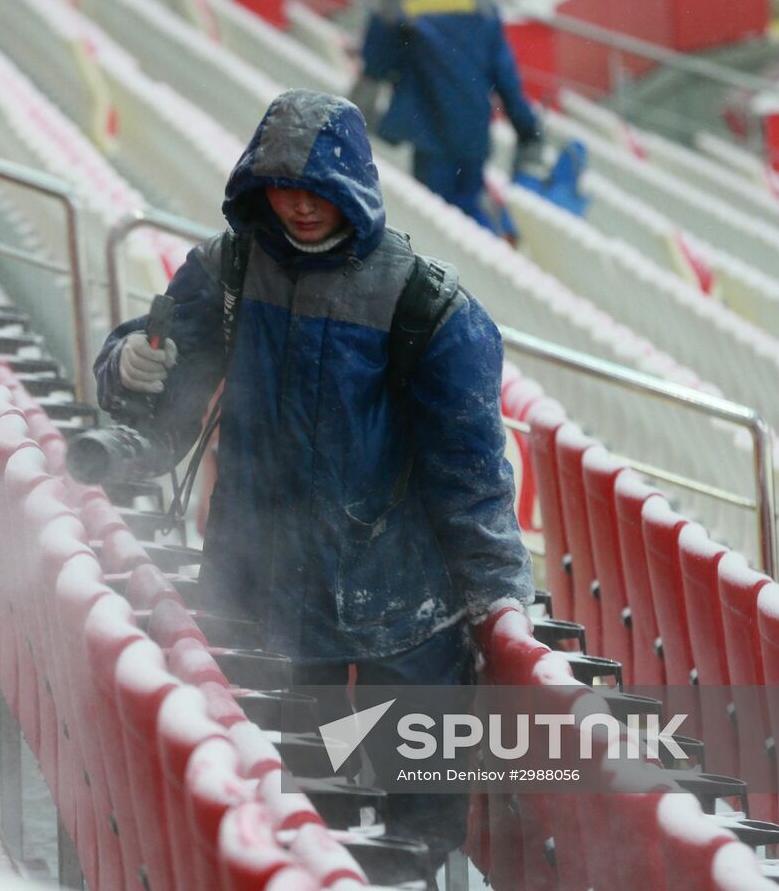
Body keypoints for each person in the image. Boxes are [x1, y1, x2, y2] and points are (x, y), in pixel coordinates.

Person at [94, 89, 533, 877]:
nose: (297, 205)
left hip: (401, 609)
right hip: (259, 595)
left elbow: (470, 476)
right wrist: (128, 364)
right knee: (289, 824)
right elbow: (158, 402)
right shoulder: (226, 269)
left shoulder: (427, 308)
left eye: (316, 188)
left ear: (352, 187)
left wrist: (497, 594)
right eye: (281, 187)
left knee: (414, 841)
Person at [352, 0, 543, 238]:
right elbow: (506, 76)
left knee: (441, 228)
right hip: (475, 131)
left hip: (429, 136)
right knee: (468, 207)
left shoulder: (393, 8)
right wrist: (527, 130)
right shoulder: (478, 1)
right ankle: (495, 249)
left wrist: (354, 128)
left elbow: (373, 74)